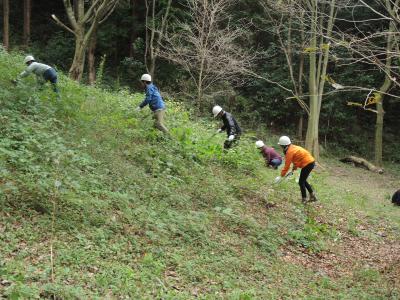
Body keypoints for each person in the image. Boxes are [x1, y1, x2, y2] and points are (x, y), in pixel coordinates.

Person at [275, 136, 317, 203]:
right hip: (310, 162)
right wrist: (294, 168)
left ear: (283, 145)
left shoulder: (289, 152)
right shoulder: (292, 147)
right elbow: (297, 159)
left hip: (308, 163)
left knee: (301, 182)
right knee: (303, 181)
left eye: (280, 146)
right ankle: (312, 196)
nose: (280, 147)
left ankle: (304, 199)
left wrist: (281, 175)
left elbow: (287, 166)